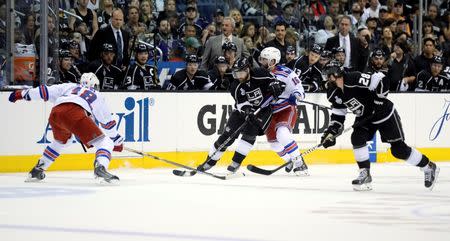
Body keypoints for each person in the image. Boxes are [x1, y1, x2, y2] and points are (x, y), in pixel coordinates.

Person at [320, 60, 439, 191]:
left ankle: (429, 166)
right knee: (357, 137)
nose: (328, 80)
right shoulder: (333, 92)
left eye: (329, 76)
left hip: (384, 113)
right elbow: (338, 115)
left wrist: (379, 100)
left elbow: (381, 78)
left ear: (335, 74)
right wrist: (331, 132)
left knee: (398, 150)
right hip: (365, 118)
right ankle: (365, 174)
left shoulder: (354, 78)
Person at [8, 73, 123, 183]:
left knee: (63, 141)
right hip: (74, 113)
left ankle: (38, 169)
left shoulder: (69, 86)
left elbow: (44, 91)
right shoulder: (97, 95)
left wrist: (21, 94)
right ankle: (100, 167)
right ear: (95, 85)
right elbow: (107, 123)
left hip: (56, 113)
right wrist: (116, 140)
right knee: (105, 142)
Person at [195, 57, 285, 174]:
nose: (239, 76)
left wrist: (276, 86)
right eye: (237, 73)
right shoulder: (235, 86)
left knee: (249, 135)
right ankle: (209, 162)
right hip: (241, 112)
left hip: (263, 111)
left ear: (248, 69)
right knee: (227, 136)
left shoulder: (260, 73)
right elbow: (241, 103)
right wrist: (247, 111)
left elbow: (275, 81)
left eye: (241, 73)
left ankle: (236, 162)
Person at [259, 47, 308, 175]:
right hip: (269, 112)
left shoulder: (287, 73)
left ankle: (299, 163)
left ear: (273, 61)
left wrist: (295, 95)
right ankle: (289, 160)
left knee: (282, 134)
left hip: (285, 108)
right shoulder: (260, 74)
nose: (262, 62)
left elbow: (300, 90)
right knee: (273, 143)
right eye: (262, 59)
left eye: (265, 60)